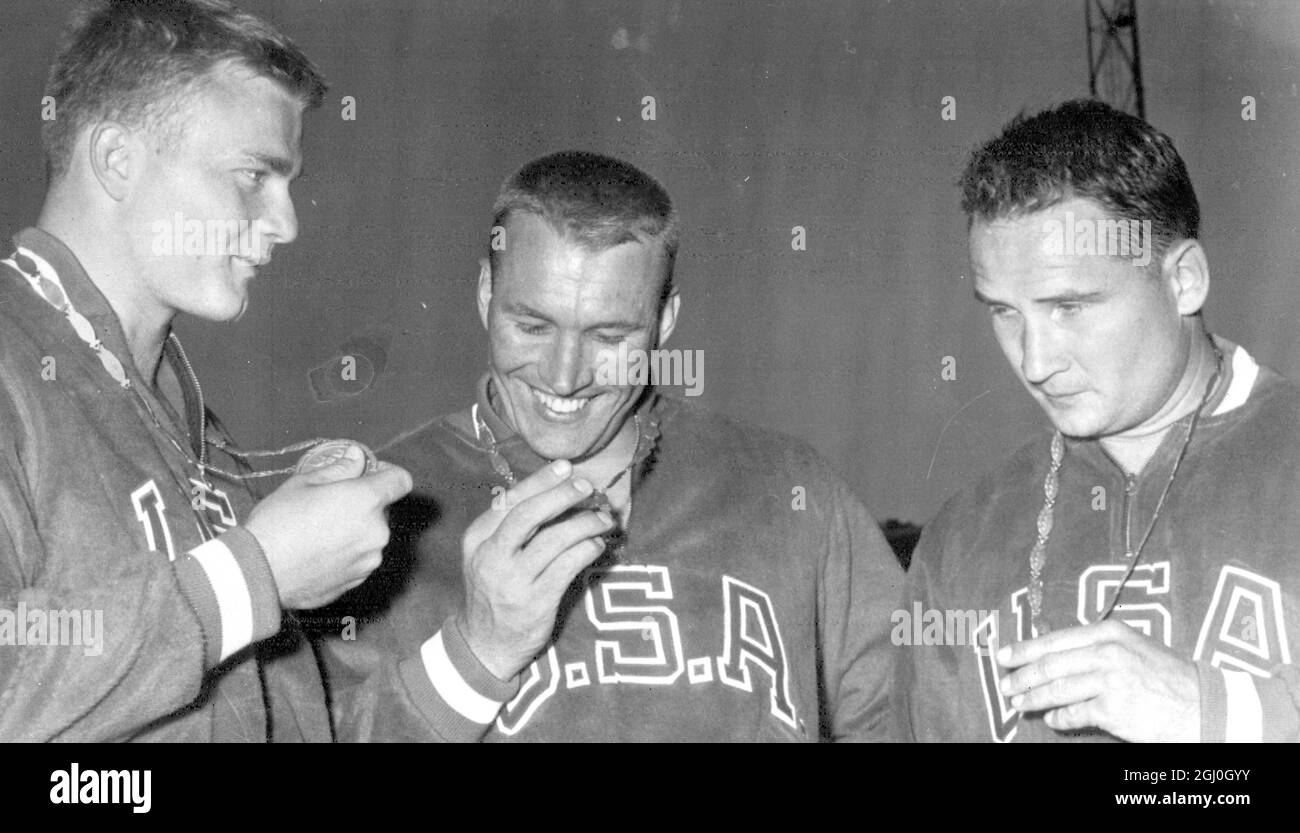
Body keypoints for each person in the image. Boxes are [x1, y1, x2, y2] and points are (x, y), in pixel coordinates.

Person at [321, 150, 902, 742]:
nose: (566, 374)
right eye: (532, 326)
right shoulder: (377, 515)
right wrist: (475, 655)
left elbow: (909, 716)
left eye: (608, 336)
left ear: (664, 322)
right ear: (484, 294)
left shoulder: (787, 488)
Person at [0, 0, 418, 741]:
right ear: (117, 160)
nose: (286, 223)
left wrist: (487, 648)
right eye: (254, 175)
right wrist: (250, 571)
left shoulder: (185, 420)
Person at [894, 99, 1300, 742]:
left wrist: (1218, 718)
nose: (1034, 361)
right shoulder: (962, 542)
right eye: (1004, 312)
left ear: (1184, 281)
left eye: (1070, 306)